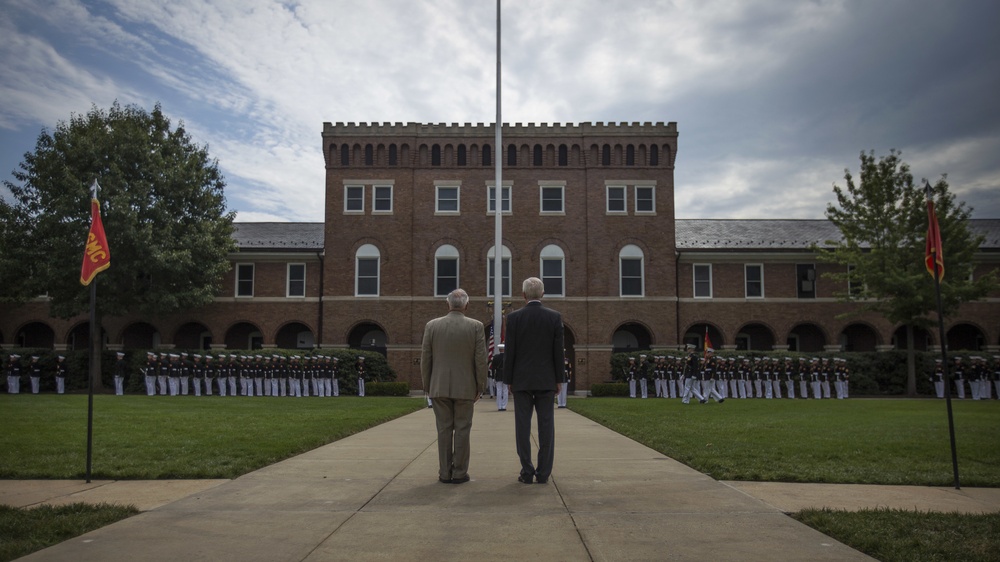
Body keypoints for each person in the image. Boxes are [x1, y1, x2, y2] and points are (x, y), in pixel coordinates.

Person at [420, 288, 488, 484]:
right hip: (466, 386)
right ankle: (459, 473)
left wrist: (428, 384)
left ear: (447, 304)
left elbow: (426, 359)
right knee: (462, 429)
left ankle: (444, 473)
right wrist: (480, 385)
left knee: (443, 429)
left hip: (439, 386)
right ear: (467, 305)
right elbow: (480, 359)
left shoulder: (432, 326)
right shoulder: (475, 326)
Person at [502, 277, 564, 485]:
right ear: (543, 294)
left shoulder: (514, 318)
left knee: (522, 427)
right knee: (546, 428)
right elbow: (558, 352)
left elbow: (510, 353)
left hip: (522, 381)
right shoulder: (554, 317)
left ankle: (527, 471)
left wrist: (508, 379)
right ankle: (544, 473)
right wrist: (559, 379)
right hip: (547, 380)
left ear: (523, 295)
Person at [492, 345, 508, 411]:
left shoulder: (495, 357)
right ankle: (504, 406)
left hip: (498, 374)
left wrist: (493, 376)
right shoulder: (507, 357)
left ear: (499, 349)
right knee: (505, 390)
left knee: (499, 390)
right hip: (506, 375)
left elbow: (493, 368)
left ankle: (499, 406)